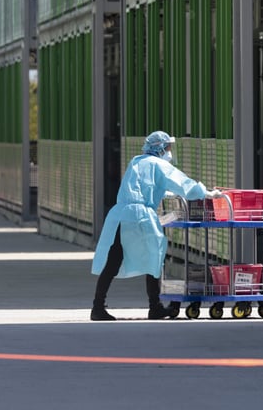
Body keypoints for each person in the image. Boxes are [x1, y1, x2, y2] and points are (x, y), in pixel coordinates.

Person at [90, 130, 222, 321]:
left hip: (120, 214)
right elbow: (182, 183)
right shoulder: (159, 164)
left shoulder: (136, 161)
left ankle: (97, 306)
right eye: (168, 147)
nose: (170, 151)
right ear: (161, 147)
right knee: (155, 257)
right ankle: (155, 306)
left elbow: (141, 187)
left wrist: (162, 194)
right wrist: (206, 193)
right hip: (140, 216)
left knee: (113, 260)